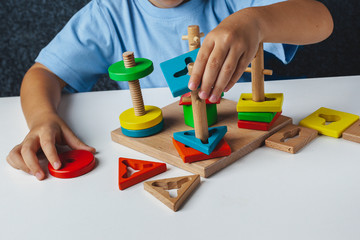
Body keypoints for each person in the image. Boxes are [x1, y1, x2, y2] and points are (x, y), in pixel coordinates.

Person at [6, 0, 333, 180]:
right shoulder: (108, 14)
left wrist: (256, 21)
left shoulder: (235, 2)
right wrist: (41, 116)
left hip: (251, 161)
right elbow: (44, 73)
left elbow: (321, 20)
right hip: (162, 163)